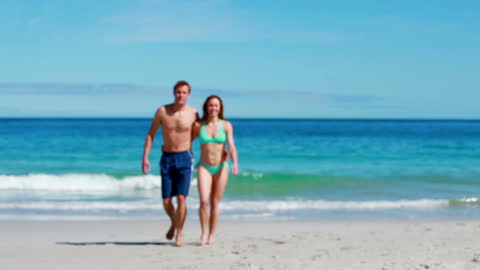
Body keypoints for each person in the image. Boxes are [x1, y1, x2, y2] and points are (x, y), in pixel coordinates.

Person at [142, 80, 198, 247]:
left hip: (185, 157)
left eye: (184, 92)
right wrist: (145, 157)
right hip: (166, 157)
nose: (181, 95)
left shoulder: (193, 113)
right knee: (167, 201)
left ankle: (179, 235)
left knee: (181, 198)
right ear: (174, 93)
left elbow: (201, 132)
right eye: (178, 92)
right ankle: (174, 222)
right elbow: (151, 134)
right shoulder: (162, 111)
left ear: (189, 95)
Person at [192, 95, 239, 245]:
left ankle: (212, 234)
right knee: (204, 201)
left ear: (220, 108)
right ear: (206, 107)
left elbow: (231, 145)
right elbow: (186, 141)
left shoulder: (226, 125)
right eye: (211, 105)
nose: (213, 108)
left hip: (221, 166)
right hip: (204, 166)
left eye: (216, 106)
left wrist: (235, 163)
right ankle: (204, 233)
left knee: (215, 202)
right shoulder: (199, 125)